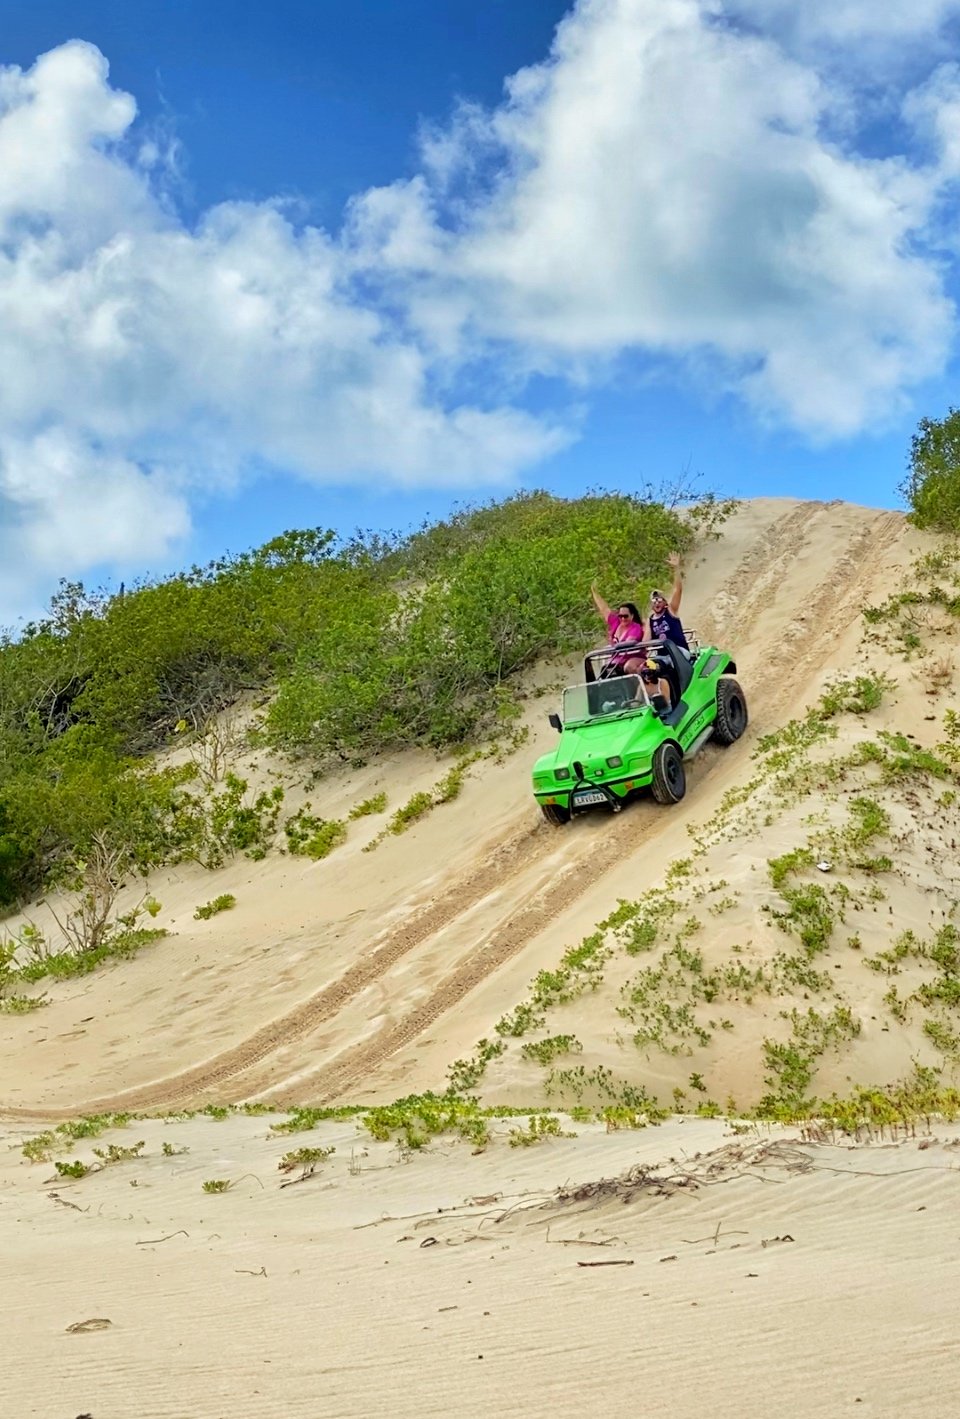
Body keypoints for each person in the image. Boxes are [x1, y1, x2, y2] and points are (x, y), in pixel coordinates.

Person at [590, 585, 646, 677]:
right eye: (621, 616)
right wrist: (594, 592)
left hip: (633, 658)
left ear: (632, 616)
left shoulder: (635, 628)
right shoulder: (616, 622)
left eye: (626, 616)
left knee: (628, 667)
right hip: (616, 660)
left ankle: (639, 687)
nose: (623, 618)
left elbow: (628, 644)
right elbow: (604, 609)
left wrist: (613, 648)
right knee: (605, 671)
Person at [647, 552, 688, 651]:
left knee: (669, 661)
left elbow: (678, 590)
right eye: (654, 600)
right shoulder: (651, 620)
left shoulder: (671, 610)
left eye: (659, 599)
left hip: (679, 651)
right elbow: (646, 641)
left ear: (665, 602)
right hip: (662, 656)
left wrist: (676, 569)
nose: (657, 602)